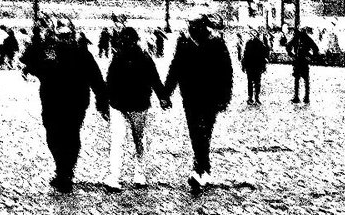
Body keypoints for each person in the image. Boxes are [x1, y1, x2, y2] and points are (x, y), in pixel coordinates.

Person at [21, 20, 109, 193]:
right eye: (61, 35)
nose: (65, 39)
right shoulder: (47, 52)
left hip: (75, 104)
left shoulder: (82, 54)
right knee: (53, 137)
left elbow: (96, 79)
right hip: (51, 103)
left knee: (70, 137)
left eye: (67, 35)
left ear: (73, 35)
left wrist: (102, 102)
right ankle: (61, 167)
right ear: (56, 36)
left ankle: (66, 172)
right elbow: (29, 61)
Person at [164, 16, 234, 192]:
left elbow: (226, 73)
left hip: (211, 98)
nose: (192, 29)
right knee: (196, 132)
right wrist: (166, 93)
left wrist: (225, 97)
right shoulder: (185, 44)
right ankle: (204, 167)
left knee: (203, 131)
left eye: (194, 26)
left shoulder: (217, 44)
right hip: (190, 97)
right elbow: (175, 68)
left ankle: (199, 168)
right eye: (190, 26)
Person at [104, 27, 170, 189]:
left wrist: (105, 102)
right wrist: (162, 97)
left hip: (123, 104)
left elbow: (109, 82)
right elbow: (155, 80)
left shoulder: (120, 58)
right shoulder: (142, 58)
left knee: (123, 140)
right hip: (135, 104)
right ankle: (134, 173)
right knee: (136, 140)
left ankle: (118, 175)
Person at [288, 25, 320, 104]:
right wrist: (292, 55)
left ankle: (306, 97)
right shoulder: (296, 38)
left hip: (304, 61)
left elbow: (315, 48)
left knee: (305, 79)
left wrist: (311, 57)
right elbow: (288, 46)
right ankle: (296, 96)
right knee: (297, 79)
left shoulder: (307, 39)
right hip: (297, 60)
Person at [241, 30, 269, 104]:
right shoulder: (249, 43)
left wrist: (263, 66)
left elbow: (263, 56)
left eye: (254, 34)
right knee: (251, 82)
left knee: (256, 82)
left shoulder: (260, 44)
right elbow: (245, 55)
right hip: (250, 66)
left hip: (256, 66)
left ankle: (256, 97)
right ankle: (251, 97)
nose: (253, 35)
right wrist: (243, 65)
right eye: (251, 34)